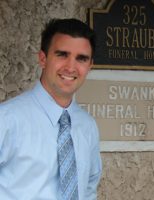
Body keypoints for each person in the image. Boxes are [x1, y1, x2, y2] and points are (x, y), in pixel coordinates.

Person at [0, 18, 102, 199]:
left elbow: (88, 189)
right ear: (43, 59)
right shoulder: (6, 119)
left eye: (81, 58)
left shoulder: (88, 127)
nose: (71, 67)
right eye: (62, 54)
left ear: (90, 66)